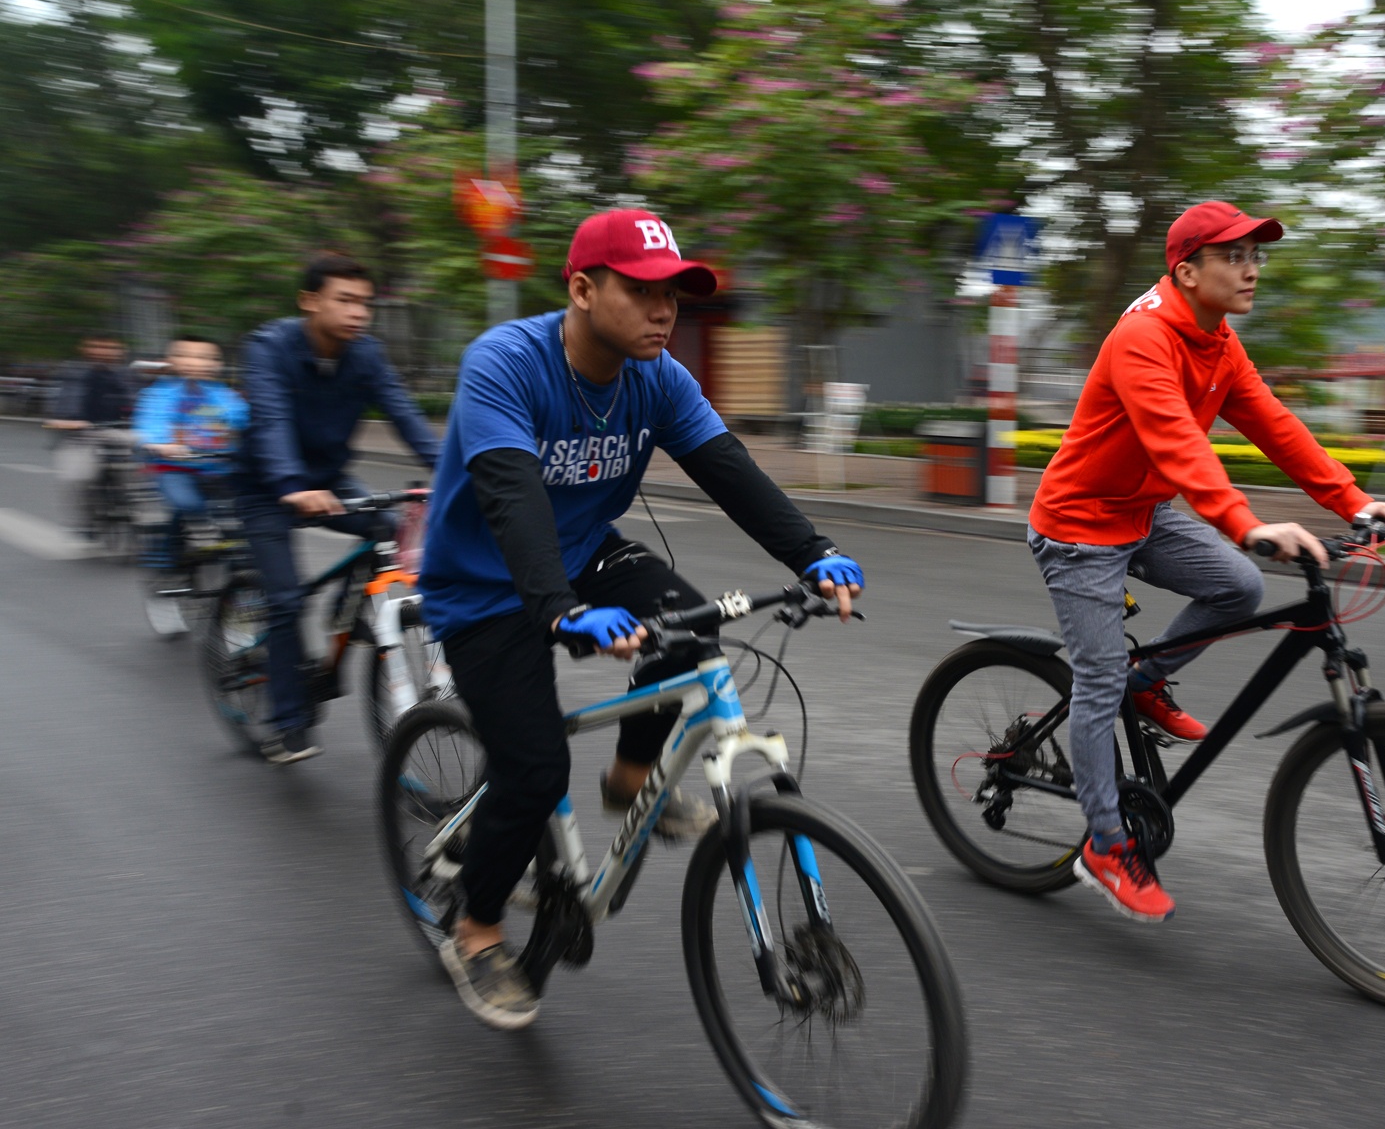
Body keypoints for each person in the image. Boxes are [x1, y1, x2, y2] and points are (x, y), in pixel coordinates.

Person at [418, 208, 865, 1030]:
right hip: (483, 586)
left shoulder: (656, 376)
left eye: (677, 295)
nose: (665, 311)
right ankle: (476, 929)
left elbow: (727, 468)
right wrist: (559, 611)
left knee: (691, 629)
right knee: (533, 767)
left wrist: (812, 552)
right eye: (644, 291)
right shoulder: (505, 365)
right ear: (583, 289)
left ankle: (631, 779)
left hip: (584, 551)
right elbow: (513, 499)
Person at [1028, 201, 1385, 924]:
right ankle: (1106, 846)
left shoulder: (1218, 340)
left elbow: (1276, 426)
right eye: (1235, 256)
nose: (1252, 270)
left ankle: (1145, 684)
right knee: (1096, 678)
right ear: (1187, 269)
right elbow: (1181, 445)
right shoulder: (1144, 337)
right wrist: (1246, 522)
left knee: (1237, 586)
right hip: (1081, 527)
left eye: (1256, 256)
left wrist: (1356, 502)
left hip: (1143, 514)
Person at [233, 254, 440, 764]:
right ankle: (287, 723)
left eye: (364, 303)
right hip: (266, 486)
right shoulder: (268, 349)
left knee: (390, 527)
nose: (358, 312)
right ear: (310, 301)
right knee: (283, 601)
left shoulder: (365, 355)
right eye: (345, 300)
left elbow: (404, 413)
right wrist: (289, 484)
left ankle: (344, 616)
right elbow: (271, 420)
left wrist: (457, 470)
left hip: (328, 480)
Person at [133, 334, 249, 632]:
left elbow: (246, 420)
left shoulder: (224, 395)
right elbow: (151, 425)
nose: (199, 363)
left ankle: (241, 597)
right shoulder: (159, 394)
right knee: (186, 505)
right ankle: (165, 574)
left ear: (218, 364)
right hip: (174, 468)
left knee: (246, 524)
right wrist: (161, 444)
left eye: (207, 358)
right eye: (190, 356)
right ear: (173, 361)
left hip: (218, 468)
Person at [45, 336, 137, 537]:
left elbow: (136, 401)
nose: (103, 351)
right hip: (78, 433)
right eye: (97, 346)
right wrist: (65, 420)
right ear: (85, 348)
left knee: (140, 454)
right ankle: (85, 518)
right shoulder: (73, 372)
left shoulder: (125, 374)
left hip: (115, 430)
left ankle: (131, 507)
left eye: (111, 347)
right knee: (76, 478)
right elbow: (64, 400)